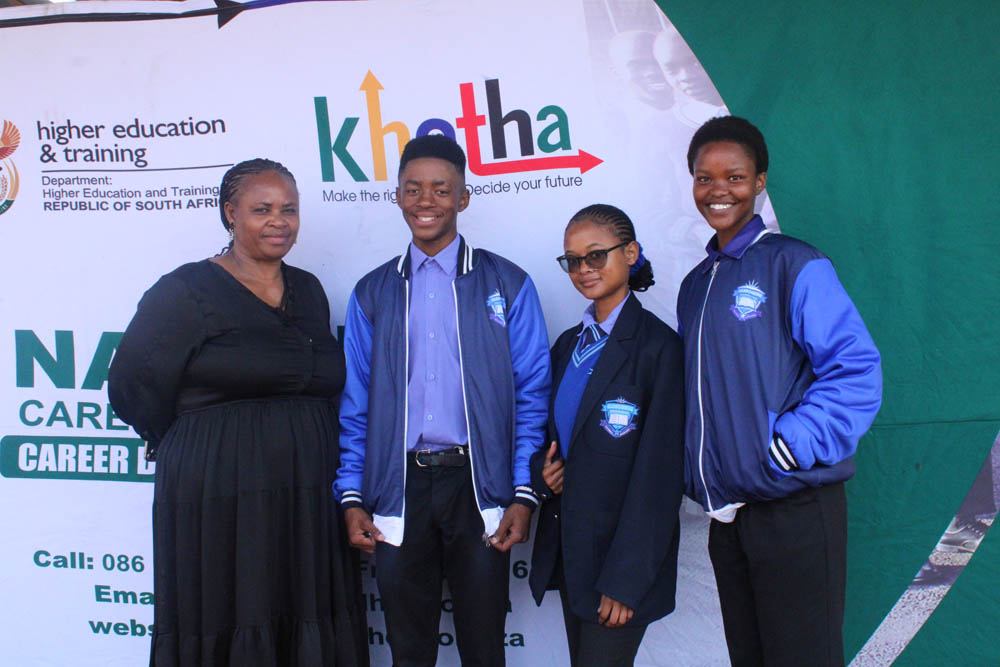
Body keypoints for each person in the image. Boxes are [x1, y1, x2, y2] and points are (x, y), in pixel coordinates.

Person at [108, 159, 367, 666]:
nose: (279, 221)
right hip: (220, 490)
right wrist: (196, 441)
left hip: (306, 491)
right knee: (231, 607)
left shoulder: (309, 290)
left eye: (289, 209)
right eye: (262, 209)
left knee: (305, 605)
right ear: (231, 213)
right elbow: (132, 385)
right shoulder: (185, 290)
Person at [334, 134, 551, 666]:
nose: (425, 201)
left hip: (479, 487)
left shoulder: (508, 283)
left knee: (484, 649)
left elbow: (531, 394)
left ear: (463, 197)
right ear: (397, 196)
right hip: (399, 489)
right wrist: (351, 495)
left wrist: (523, 493)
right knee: (409, 652)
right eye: (413, 189)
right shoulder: (372, 292)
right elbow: (356, 405)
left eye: (440, 188)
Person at [676, 116, 883, 666]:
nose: (718, 190)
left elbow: (856, 369)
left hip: (794, 506)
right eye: (704, 177)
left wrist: (789, 445)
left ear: (760, 182)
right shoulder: (696, 284)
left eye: (735, 176)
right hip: (731, 518)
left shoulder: (793, 262)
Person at [529, 204, 685, 666]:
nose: (584, 269)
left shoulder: (659, 348)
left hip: (619, 568)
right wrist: (544, 474)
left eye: (596, 255)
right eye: (573, 260)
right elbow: (554, 438)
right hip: (573, 554)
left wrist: (625, 580)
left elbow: (660, 477)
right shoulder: (567, 345)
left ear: (630, 253)